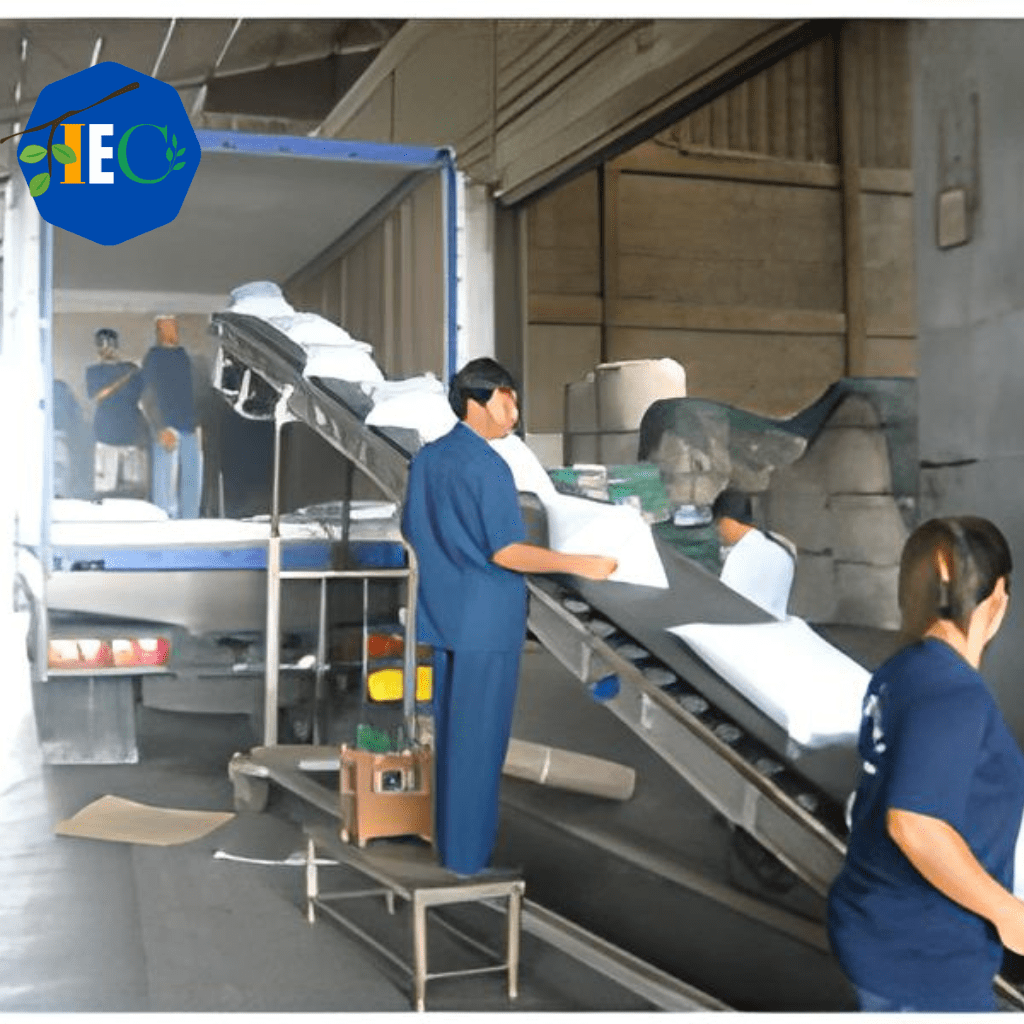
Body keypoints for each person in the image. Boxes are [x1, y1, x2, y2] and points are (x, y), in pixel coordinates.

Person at [401, 357, 618, 877]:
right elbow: (507, 552)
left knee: (452, 740)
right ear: (477, 402)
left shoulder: (428, 460)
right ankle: (469, 862)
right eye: (507, 397)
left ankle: (450, 849)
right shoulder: (489, 467)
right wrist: (580, 563)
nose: (514, 410)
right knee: (480, 745)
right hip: (486, 623)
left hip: (445, 616)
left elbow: (412, 527)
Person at [827, 516, 1024, 1012]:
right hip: (924, 958)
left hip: (878, 923)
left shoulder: (903, 669)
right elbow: (916, 824)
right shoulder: (954, 693)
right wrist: (1009, 914)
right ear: (997, 599)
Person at [141, 314, 203, 519]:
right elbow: (148, 395)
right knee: (165, 484)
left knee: (191, 480)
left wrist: (198, 424)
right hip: (167, 426)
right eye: (166, 328)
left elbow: (192, 391)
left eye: (174, 328)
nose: (172, 333)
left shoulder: (183, 356)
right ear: (158, 332)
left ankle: (190, 522)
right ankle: (164, 525)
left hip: (189, 425)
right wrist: (160, 427)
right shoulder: (153, 357)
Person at [711, 488, 794, 619]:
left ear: (727, 521)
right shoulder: (781, 547)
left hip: (748, 631)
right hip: (778, 626)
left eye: (718, 524)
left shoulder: (740, 555)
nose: (718, 531)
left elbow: (725, 603)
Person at [85, 328, 148, 498]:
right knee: (105, 488)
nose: (106, 348)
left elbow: (145, 397)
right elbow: (98, 396)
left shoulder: (132, 369)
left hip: (130, 434)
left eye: (109, 343)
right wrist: (124, 378)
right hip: (106, 434)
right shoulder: (94, 371)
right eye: (101, 343)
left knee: (133, 488)